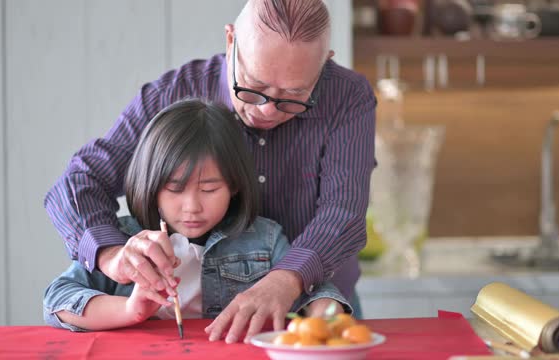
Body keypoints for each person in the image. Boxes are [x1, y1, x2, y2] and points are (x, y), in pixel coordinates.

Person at [44, 0, 376, 343]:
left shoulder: (347, 98)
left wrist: (287, 278)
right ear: (230, 41)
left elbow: (343, 212)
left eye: (293, 97)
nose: (266, 110)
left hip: (312, 304)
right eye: (253, 86)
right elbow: (79, 182)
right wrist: (112, 256)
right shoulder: (172, 96)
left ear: (325, 62)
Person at [43, 99, 350, 332]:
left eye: (209, 188)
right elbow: (57, 301)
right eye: (175, 189)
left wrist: (324, 310)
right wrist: (131, 310)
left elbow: (317, 293)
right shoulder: (128, 243)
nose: (192, 207)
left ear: (233, 185)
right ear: (150, 185)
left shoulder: (265, 239)